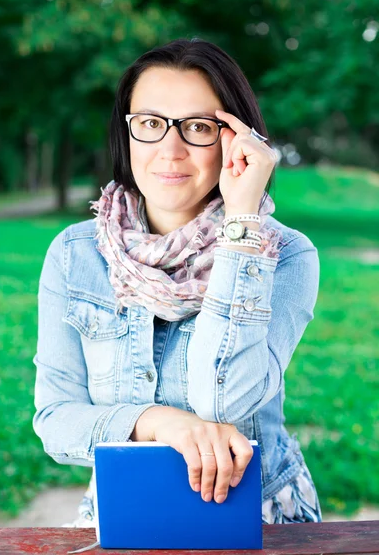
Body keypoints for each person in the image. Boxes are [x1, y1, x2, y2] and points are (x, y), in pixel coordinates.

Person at [33, 37, 322, 527]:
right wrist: (157, 423)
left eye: (198, 127)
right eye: (149, 123)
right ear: (126, 134)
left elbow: (223, 399)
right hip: (123, 509)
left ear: (236, 138)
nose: (170, 150)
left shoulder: (285, 254)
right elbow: (56, 420)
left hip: (259, 516)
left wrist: (241, 226)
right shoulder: (74, 253)